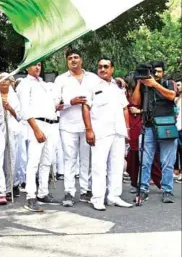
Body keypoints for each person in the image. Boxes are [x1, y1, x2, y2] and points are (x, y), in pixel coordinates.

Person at [82, 57, 133, 211]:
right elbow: (85, 107)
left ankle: (114, 196)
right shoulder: (91, 86)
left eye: (106, 67)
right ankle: (97, 198)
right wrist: (88, 129)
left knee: (117, 166)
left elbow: (125, 108)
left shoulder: (118, 88)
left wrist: (128, 130)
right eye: (100, 67)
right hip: (100, 132)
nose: (102, 69)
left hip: (118, 131)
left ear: (112, 69)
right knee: (99, 166)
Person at [54, 49, 100, 207]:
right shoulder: (61, 79)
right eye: (70, 58)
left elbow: (99, 99)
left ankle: (86, 190)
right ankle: (69, 191)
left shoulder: (93, 78)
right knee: (69, 159)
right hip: (68, 126)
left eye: (76, 57)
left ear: (81, 59)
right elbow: (54, 105)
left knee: (86, 158)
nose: (73, 60)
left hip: (89, 126)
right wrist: (70, 102)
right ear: (67, 62)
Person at [17, 62, 61, 212]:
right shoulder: (24, 84)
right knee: (34, 161)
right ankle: (31, 195)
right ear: (27, 67)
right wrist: (36, 129)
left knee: (47, 160)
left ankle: (43, 192)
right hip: (37, 123)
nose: (37, 68)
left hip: (51, 123)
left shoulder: (42, 83)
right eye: (34, 65)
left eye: (39, 65)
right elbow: (24, 109)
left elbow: (48, 105)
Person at [131, 61, 177, 203]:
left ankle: (167, 190)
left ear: (163, 72)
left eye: (159, 71)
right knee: (145, 161)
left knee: (167, 162)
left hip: (166, 126)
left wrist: (155, 85)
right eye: (153, 71)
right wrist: (140, 82)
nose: (156, 74)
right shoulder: (145, 87)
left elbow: (171, 96)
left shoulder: (168, 83)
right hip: (149, 126)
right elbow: (135, 102)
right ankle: (143, 189)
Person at [0, 73, 22, 200]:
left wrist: (9, 108)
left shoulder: (14, 97)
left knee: (11, 159)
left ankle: (9, 187)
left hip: (12, 130)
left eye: (7, 80)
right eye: (1, 80)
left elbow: (19, 116)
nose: (4, 82)